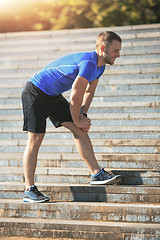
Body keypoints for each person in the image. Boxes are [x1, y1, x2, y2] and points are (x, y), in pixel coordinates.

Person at [21, 31, 122, 203]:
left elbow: (90, 91)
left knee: (80, 130)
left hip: (53, 95)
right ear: (103, 48)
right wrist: (77, 119)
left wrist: (82, 114)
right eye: (116, 51)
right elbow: (76, 94)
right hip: (35, 92)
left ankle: (96, 174)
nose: (118, 55)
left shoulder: (100, 66)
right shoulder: (89, 63)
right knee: (36, 139)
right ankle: (29, 189)